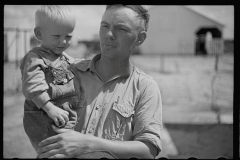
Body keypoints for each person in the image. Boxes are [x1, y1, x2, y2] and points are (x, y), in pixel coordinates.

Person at [37, 5, 162, 159]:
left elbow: (148, 151)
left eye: (121, 29)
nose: (109, 34)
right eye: (104, 26)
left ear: (140, 38)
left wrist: (89, 144)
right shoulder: (68, 72)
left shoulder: (145, 87)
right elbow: (37, 117)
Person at [20, 5, 83, 155]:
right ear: (39, 34)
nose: (63, 42)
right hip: (43, 118)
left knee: (67, 151)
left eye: (68, 36)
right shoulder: (34, 58)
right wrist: (49, 108)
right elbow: (34, 87)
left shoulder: (64, 57)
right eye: (57, 36)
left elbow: (77, 67)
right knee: (51, 153)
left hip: (62, 116)